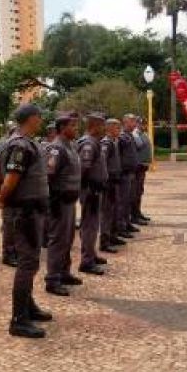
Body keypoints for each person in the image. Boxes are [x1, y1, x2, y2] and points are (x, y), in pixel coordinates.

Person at [0, 103, 53, 339]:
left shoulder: (27, 142)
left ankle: (28, 306)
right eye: (39, 117)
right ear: (32, 118)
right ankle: (19, 319)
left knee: (31, 261)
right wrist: (2, 198)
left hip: (31, 210)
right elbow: (10, 177)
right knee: (27, 263)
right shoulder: (19, 145)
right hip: (25, 212)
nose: (41, 120)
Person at [44, 112, 83, 297]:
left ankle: (64, 272)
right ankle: (52, 279)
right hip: (59, 202)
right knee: (58, 240)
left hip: (69, 201)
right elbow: (48, 176)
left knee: (67, 239)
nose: (76, 129)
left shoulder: (71, 146)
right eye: (73, 126)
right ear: (62, 128)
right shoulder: (56, 149)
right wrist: (53, 201)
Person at [77, 112, 108, 275]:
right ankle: (86, 261)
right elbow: (83, 169)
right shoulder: (88, 143)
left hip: (94, 189)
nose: (104, 128)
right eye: (102, 125)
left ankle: (91, 253)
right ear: (94, 126)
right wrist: (87, 188)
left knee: (93, 224)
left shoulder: (95, 141)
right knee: (89, 225)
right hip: (90, 190)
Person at [99, 118, 126, 253]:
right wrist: (105, 179)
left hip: (115, 181)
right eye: (117, 128)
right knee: (107, 212)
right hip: (108, 182)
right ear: (109, 128)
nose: (119, 131)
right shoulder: (106, 143)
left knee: (115, 210)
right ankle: (104, 241)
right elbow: (103, 162)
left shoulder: (114, 142)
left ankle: (113, 236)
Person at [0, 121, 19, 267]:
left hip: (12, 188)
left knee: (15, 222)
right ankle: (8, 254)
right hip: (10, 189)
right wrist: (1, 191)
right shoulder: (7, 146)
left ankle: (14, 251)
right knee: (10, 223)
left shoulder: (8, 145)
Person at [117, 114, 141, 239]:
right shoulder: (121, 137)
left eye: (135, 122)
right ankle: (121, 227)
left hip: (130, 173)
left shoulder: (129, 136)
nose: (135, 124)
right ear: (125, 122)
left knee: (128, 200)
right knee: (122, 202)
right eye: (132, 122)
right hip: (123, 174)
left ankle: (126, 223)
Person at [131, 117, 152, 225]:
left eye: (145, 124)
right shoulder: (136, 134)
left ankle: (138, 212)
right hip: (137, 167)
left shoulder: (143, 134)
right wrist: (137, 132)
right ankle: (134, 215)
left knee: (139, 191)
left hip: (143, 167)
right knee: (135, 192)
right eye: (141, 124)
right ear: (137, 124)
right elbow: (139, 145)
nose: (144, 126)